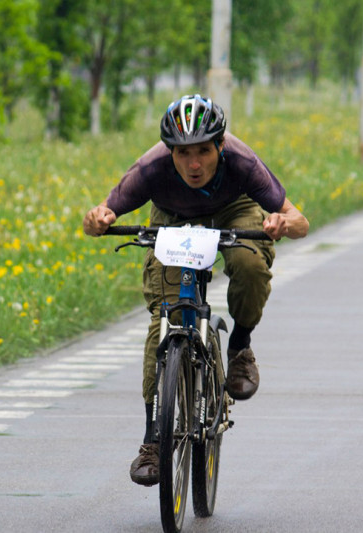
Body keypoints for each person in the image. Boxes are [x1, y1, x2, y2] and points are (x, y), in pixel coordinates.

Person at [83, 94, 309, 486]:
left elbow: (300, 220)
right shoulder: (151, 168)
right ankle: (154, 439)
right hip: (172, 218)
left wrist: (282, 223)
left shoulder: (242, 161)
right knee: (164, 317)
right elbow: (100, 217)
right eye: (183, 152)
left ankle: (239, 347)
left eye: (204, 151)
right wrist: (99, 219)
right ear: (170, 151)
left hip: (233, 209)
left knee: (250, 265)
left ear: (220, 145)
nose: (194, 164)